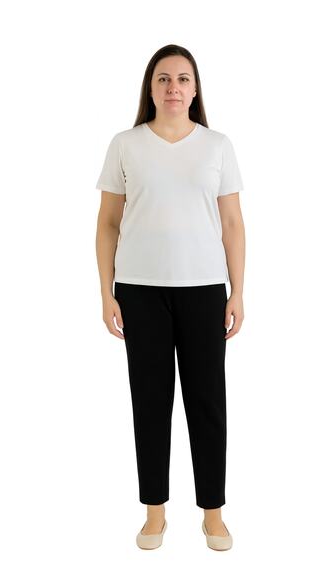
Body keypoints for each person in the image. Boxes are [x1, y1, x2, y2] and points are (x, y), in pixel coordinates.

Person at [95, 44, 245, 551]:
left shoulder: (217, 146)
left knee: (207, 403)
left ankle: (213, 513)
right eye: (163, 78)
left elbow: (232, 223)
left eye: (183, 79)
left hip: (204, 290)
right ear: (151, 88)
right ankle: (154, 513)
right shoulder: (125, 144)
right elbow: (108, 222)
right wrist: (106, 292)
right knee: (150, 402)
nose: (173, 87)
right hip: (140, 291)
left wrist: (238, 291)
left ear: (195, 88)